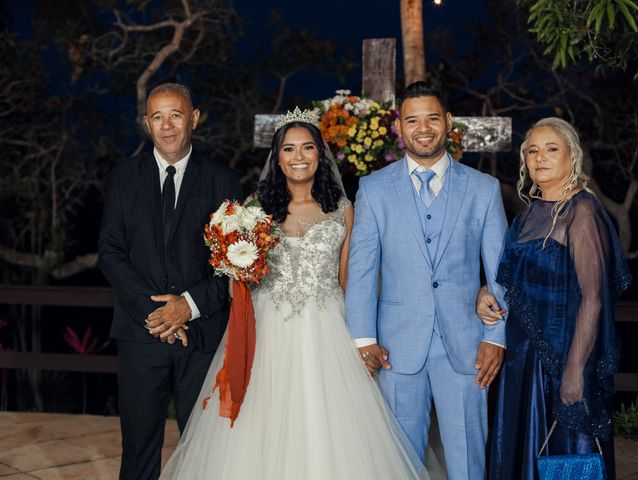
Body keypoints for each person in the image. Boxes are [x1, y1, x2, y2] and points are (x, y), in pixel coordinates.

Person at [159, 107, 436, 479]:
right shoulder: (254, 210)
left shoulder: (342, 210)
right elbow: (236, 277)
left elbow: (348, 282)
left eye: (307, 148)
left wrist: (361, 340)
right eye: (289, 149)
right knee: (259, 429)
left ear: (320, 154)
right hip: (267, 332)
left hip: (327, 333)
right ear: (277, 156)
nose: (299, 157)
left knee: (332, 430)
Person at [345, 81, 509, 480]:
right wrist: (363, 339)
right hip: (395, 347)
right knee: (398, 461)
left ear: (448, 122)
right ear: (399, 127)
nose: (423, 128)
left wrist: (496, 337)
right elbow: (363, 269)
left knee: (469, 459)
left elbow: (503, 270)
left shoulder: (484, 189)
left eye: (432, 118)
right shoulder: (374, 188)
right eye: (412, 120)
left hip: (468, 346)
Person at [98, 82, 242, 480]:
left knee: (204, 452)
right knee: (139, 450)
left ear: (194, 118)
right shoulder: (125, 177)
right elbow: (110, 252)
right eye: (157, 116)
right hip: (140, 336)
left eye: (176, 115)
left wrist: (187, 306)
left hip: (202, 339)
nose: (167, 125)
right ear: (147, 123)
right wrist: (158, 313)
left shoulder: (222, 180)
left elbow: (235, 263)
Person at [478, 117, 631, 480]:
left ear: (571, 156)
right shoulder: (527, 215)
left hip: (562, 359)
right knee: (517, 452)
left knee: (564, 461)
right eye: (532, 150)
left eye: (551, 149)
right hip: (519, 360)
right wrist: (484, 293)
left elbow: (593, 298)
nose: (539, 158)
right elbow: (513, 280)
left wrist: (576, 371)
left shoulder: (582, 211)